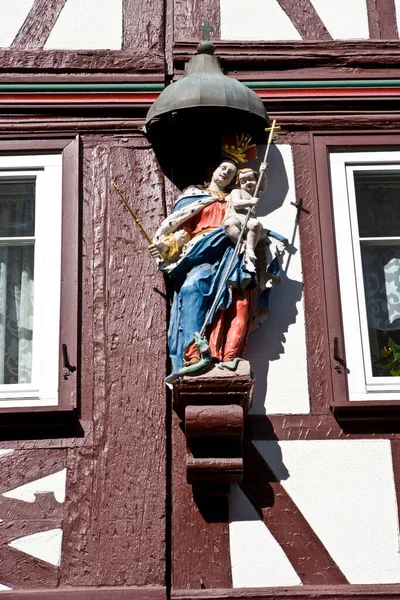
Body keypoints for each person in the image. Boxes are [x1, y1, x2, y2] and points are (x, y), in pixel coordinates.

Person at [149, 158, 257, 375]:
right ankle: (193, 355)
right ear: (212, 169)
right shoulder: (195, 198)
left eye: (231, 172)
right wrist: (165, 245)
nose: (226, 172)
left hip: (231, 251)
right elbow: (184, 230)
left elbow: (249, 223)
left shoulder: (234, 200)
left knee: (238, 302)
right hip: (202, 253)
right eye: (223, 167)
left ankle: (228, 356)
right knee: (192, 287)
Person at [224, 163, 268, 272]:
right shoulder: (237, 191)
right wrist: (250, 202)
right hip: (236, 216)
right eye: (243, 182)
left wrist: (264, 173)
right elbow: (236, 203)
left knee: (255, 225)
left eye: (251, 179)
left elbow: (262, 186)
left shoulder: (255, 194)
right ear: (239, 185)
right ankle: (240, 244)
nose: (248, 183)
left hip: (248, 219)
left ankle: (250, 249)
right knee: (229, 224)